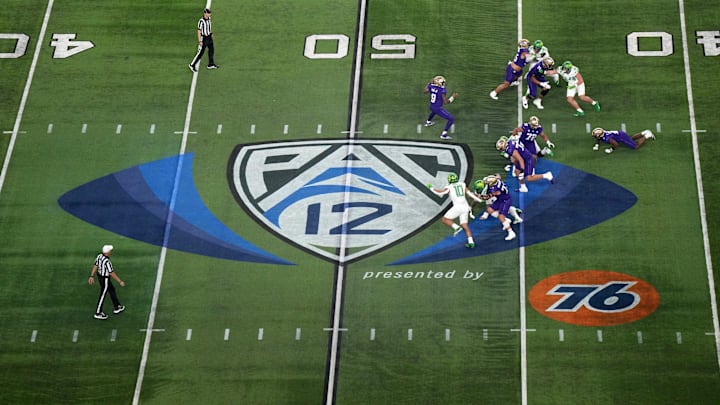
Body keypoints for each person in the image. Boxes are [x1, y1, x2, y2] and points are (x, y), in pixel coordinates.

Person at [427, 173, 485, 248]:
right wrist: (479, 200)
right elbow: (469, 194)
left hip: (458, 207)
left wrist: (431, 188)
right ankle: (471, 242)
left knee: (445, 219)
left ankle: (456, 227)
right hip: (465, 207)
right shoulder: (462, 184)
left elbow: (440, 193)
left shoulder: (449, 187)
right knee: (465, 225)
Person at [88, 245, 125, 320]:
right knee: (103, 294)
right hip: (105, 279)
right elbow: (111, 273)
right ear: (107, 253)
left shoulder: (99, 256)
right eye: (109, 251)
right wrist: (120, 281)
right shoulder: (107, 262)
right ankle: (98, 312)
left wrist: (92, 275)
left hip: (100, 276)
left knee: (112, 290)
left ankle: (117, 306)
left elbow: (95, 265)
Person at [476, 174, 517, 241]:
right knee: (489, 210)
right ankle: (506, 221)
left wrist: (480, 196)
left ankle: (511, 232)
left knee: (501, 216)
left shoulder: (495, 189)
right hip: (501, 199)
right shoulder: (497, 181)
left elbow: (488, 197)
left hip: (505, 201)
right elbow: (497, 176)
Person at [423, 75, 458, 140]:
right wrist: (452, 97)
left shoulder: (431, 86)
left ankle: (428, 122)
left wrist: (429, 84)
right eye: (443, 82)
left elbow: (424, 91)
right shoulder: (442, 90)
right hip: (437, 108)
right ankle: (444, 134)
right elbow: (445, 102)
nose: (444, 83)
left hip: (431, 106)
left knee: (433, 111)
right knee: (451, 118)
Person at [189, 8, 219, 72]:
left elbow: (209, 27)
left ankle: (211, 64)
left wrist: (211, 33)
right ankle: (192, 65)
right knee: (200, 53)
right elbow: (199, 31)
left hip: (209, 37)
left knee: (211, 50)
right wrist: (200, 40)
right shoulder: (201, 21)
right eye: (208, 13)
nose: (209, 14)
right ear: (205, 13)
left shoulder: (209, 19)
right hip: (204, 38)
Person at [591, 127, 656, 154]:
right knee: (631, 139)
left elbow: (616, 144)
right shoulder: (602, 134)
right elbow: (598, 139)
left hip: (621, 137)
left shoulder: (608, 138)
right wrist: (596, 145)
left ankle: (647, 135)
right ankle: (644, 132)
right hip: (620, 134)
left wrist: (611, 149)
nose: (595, 137)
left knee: (635, 146)